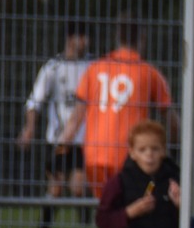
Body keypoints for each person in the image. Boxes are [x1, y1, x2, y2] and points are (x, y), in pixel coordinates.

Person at [62, 16, 172, 198]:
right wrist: (173, 146)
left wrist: (60, 150)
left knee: (109, 211)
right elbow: (170, 118)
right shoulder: (149, 72)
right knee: (134, 207)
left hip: (96, 155)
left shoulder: (94, 69)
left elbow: (75, 119)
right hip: (132, 155)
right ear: (142, 38)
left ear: (117, 37)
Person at [17, 21, 92, 228]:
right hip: (58, 141)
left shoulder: (92, 66)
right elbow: (35, 101)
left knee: (78, 187)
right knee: (56, 188)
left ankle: (85, 219)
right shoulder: (53, 67)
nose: (86, 42)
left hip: (84, 140)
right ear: (70, 38)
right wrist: (29, 128)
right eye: (82, 36)